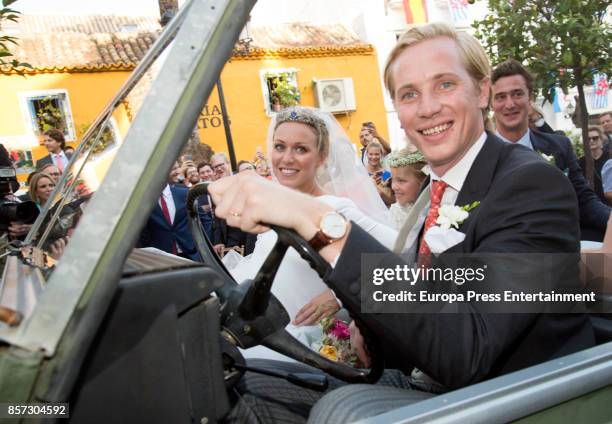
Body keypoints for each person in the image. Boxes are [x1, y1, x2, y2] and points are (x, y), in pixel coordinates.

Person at [212, 23, 595, 423]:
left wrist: (320, 222)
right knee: (237, 381)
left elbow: (469, 350)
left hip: (513, 396)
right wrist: (367, 327)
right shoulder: (437, 191)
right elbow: (425, 301)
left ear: (482, 92)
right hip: (418, 376)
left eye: (444, 85)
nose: (427, 108)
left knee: (339, 412)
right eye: (409, 94)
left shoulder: (530, 185)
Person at [229, 106, 397, 361]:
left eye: (301, 149)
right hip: (249, 330)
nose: (286, 158)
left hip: (293, 345)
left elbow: (406, 253)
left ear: (321, 158)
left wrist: (340, 297)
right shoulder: (272, 206)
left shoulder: (335, 210)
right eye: (280, 146)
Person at [491, 58, 610, 241]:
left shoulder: (559, 147)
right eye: (501, 97)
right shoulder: (478, 154)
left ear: (530, 99)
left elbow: (584, 201)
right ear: (491, 103)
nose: (509, 104)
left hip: (560, 248)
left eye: (517, 94)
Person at [137, 162, 204, 260]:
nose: (178, 172)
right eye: (173, 169)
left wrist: (203, 248)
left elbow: (204, 219)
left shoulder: (185, 193)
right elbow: (143, 233)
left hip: (192, 255)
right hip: (162, 260)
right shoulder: (144, 201)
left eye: (177, 168)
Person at [387, 149, 428, 229]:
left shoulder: (436, 209)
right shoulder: (396, 211)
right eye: (393, 179)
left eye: (401, 180)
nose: (393, 187)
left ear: (423, 181)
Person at [578, 126, 609, 204]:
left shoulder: (610, 157)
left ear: (601, 140)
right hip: (591, 204)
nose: (591, 141)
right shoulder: (580, 162)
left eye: (595, 138)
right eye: (588, 139)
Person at [365, 141, 394, 206]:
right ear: (367, 154)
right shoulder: (361, 173)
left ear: (381, 154)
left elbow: (392, 200)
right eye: (371, 154)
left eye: (376, 154)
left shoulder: (388, 175)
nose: (373, 157)